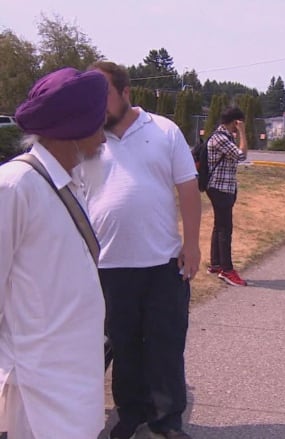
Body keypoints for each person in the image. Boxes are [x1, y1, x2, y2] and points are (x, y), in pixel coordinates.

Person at [85, 61, 201, 439]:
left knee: (165, 344)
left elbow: (187, 188)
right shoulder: (87, 138)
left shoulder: (165, 131)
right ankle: (130, 413)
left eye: (102, 94)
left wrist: (193, 244)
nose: (96, 105)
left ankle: (166, 420)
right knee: (123, 343)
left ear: (125, 93)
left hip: (162, 261)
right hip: (108, 264)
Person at [0, 67, 108, 438]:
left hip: (76, 377)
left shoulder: (69, 184)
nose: (104, 137)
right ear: (71, 131)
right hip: (37, 388)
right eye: (97, 125)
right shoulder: (14, 186)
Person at [206, 107, 248, 286]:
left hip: (223, 187)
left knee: (219, 226)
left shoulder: (222, 137)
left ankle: (216, 264)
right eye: (238, 124)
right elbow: (241, 156)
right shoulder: (221, 138)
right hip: (220, 188)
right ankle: (227, 270)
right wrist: (243, 133)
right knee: (225, 229)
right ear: (235, 122)